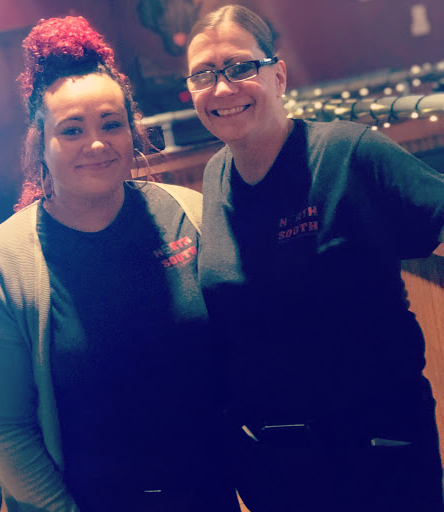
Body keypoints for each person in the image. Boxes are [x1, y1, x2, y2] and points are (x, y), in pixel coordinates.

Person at [0, 16, 238, 512]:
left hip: (209, 495)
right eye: (72, 130)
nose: (98, 143)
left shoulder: (190, 214)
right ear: (40, 143)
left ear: (132, 130)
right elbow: (8, 433)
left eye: (112, 124)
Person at [185, 4, 444, 512]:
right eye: (203, 74)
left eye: (239, 66)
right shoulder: (215, 176)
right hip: (277, 470)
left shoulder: (348, 152)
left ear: (278, 75)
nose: (222, 87)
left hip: (377, 455)